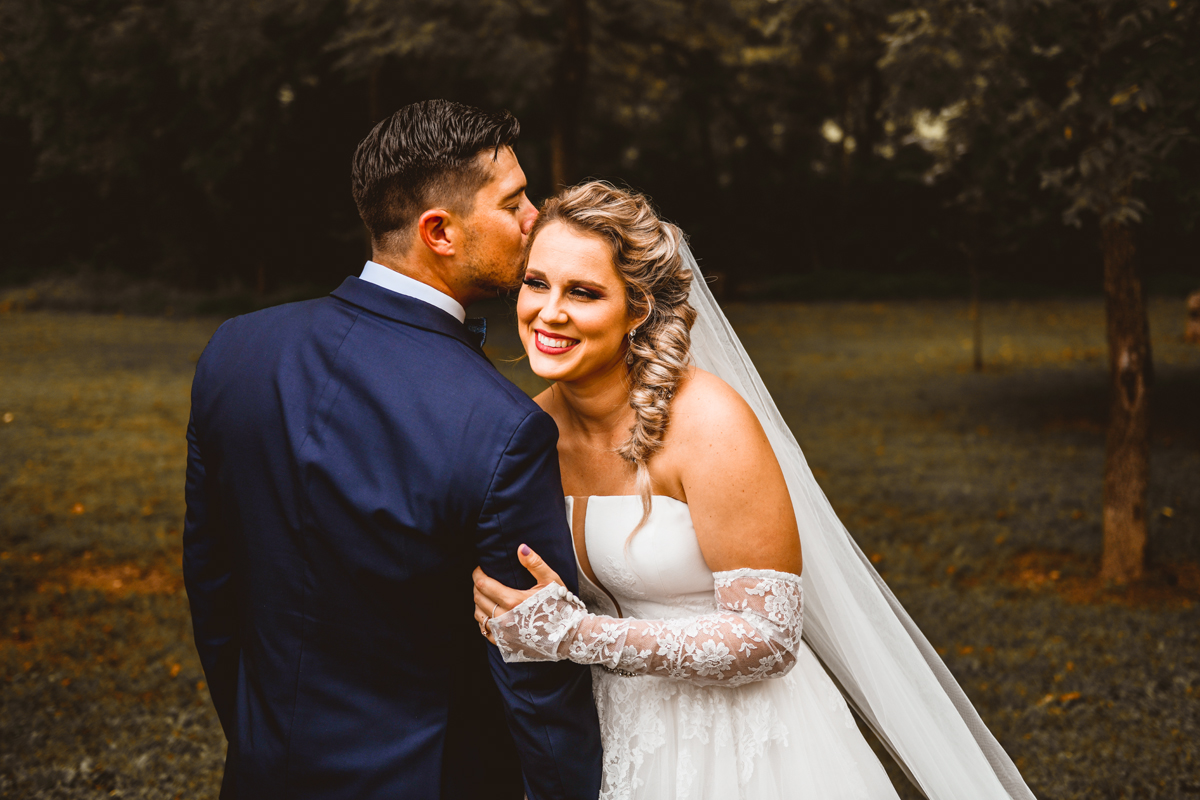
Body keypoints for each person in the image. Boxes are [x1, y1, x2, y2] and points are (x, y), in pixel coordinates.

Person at [472, 181, 1038, 800]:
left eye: (583, 292)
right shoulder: (528, 430)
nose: (549, 312)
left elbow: (770, 635)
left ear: (638, 310)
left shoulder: (707, 423)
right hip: (610, 740)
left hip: (741, 746)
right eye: (536, 283)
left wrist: (575, 637)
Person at [183, 100, 602, 800]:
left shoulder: (236, 350)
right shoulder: (503, 426)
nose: (537, 219)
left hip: (264, 771)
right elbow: (532, 667)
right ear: (439, 231)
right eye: (516, 202)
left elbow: (214, 587)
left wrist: (259, 740)